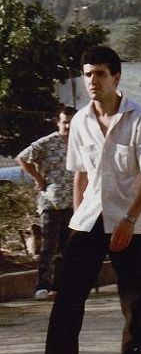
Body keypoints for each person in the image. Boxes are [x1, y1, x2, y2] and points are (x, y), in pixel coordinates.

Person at [29, 46, 141, 354]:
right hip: (89, 219)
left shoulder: (139, 118)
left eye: (100, 73)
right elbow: (81, 175)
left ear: (116, 77)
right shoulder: (80, 121)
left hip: (132, 220)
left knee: (133, 299)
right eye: (88, 74)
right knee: (67, 300)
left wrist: (129, 220)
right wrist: (77, 221)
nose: (93, 81)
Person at [17, 106, 77, 300]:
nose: (68, 126)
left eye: (72, 122)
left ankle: (61, 285)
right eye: (65, 122)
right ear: (58, 122)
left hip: (74, 203)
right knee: (49, 246)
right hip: (51, 202)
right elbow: (23, 158)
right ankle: (43, 285)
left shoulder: (81, 142)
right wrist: (38, 179)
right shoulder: (47, 142)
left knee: (68, 247)